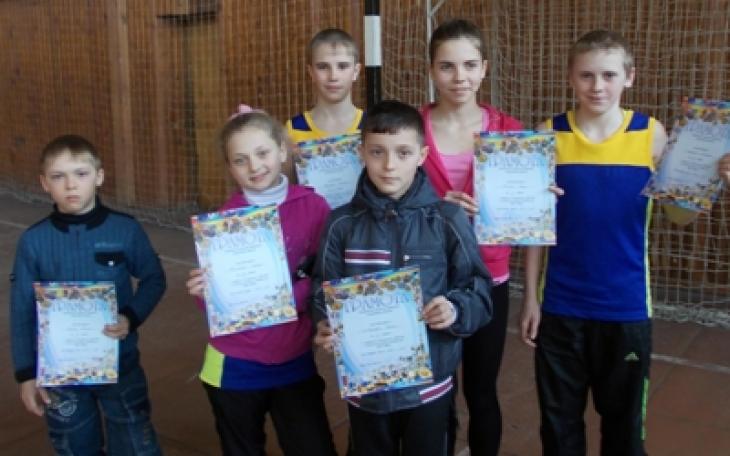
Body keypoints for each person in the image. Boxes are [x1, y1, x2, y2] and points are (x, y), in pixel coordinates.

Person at [311, 99, 492, 456]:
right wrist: (325, 321)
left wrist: (455, 309)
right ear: (361, 153)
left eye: (403, 152)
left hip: (429, 388)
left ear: (422, 155)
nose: (389, 165)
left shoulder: (447, 220)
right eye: (377, 152)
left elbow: (479, 289)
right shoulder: (340, 224)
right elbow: (322, 287)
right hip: (367, 389)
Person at [520, 30, 669, 456]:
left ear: (629, 77)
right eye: (586, 75)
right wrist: (530, 298)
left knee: (625, 430)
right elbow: (535, 226)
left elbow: (680, 213)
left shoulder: (651, 135)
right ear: (571, 78)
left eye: (608, 75)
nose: (597, 86)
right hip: (561, 306)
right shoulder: (548, 134)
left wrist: (708, 187)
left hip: (626, 308)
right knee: (559, 426)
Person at [186, 105, 337, 456]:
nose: (254, 167)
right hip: (234, 364)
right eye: (241, 160)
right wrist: (203, 294)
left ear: (282, 151)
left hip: (293, 357)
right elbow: (220, 306)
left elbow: (326, 276)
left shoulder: (314, 207)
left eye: (262, 153)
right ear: (229, 167)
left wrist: (287, 297)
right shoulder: (222, 222)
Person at [10, 134, 166, 454]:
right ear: (44, 183)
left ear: (99, 176)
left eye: (80, 174)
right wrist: (26, 374)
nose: (71, 185)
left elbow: (154, 278)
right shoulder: (33, 241)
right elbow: (22, 309)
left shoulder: (125, 229)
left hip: (120, 365)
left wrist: (130, 317)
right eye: (58, 176)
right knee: (75, 446)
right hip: (61, 375)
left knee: (135, 444)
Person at [420, 18, 523, 456]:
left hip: (487, 278)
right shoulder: (411, 128)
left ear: (484, 68)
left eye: (468, 65)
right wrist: (436, 209)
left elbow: (526, 213)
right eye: (447, 66)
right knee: (435, 390)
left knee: (482, 389)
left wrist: (537, 199)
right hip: (428, 277)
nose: (459, 77)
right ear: (431, 70)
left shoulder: (510, 131)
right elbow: (390, 196)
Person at [286, 28, 363, 146]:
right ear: (311, 72)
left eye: (342, 66)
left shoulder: (372, 126)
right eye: (323, 67)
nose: (333, 76)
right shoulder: (293, 129)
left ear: (356, 71)